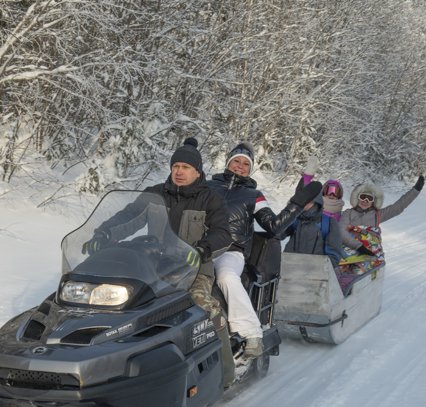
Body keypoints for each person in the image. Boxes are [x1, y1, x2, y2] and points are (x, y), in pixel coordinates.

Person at [82, 137, 236, 388]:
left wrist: (201, 249)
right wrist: (104, 233)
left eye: (186, 167)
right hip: (154, 266)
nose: (179, 172)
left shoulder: (210, 200)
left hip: (194, 267)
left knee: (203, 305)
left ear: (197, 171)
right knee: (117, 300)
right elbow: (129, 216)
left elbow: (223, 233)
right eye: (176, 166)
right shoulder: (155, 194)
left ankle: (226, 375)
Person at [208, 142, 322, 358]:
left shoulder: (254, 196)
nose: (240, 166)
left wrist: (296, 205)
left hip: (230, 251)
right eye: (236, 161)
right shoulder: (207, 186)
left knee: (226, 276)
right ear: (228, 163)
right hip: (201, 247)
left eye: (245, 164)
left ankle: (251, 333)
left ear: (250, 169)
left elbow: (274, 226)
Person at [340, 175, 425, 256]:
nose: (365, 201)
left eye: (369, 198)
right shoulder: (348, 213)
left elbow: (398, 207)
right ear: (357, 198)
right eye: (363, 197)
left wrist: (415, 190)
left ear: (373, 202)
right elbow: (341, 231)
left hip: (371, 253)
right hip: (350, 251)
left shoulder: (377, 215)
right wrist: (358, 246)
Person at [281, 191, 343, 267]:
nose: (304, 203)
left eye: (308, 201)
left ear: (316, 201)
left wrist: (320, 270)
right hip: (289, 269)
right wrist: (288, 210)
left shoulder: (329, 222)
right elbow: (277, 233)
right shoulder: (295, 218)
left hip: (315, 274)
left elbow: (334, 256)